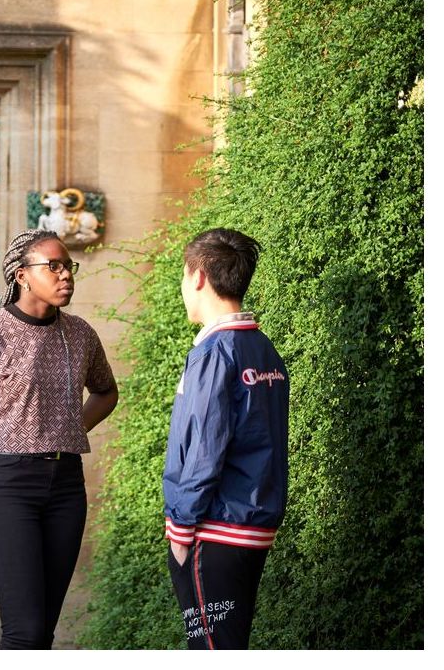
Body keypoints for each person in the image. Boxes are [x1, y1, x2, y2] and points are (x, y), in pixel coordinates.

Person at [0, 228, 119, 649]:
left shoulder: (80, 333)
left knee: (43, 630)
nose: (66, 275)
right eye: (54, 266)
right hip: (10, 487)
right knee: (23, 631)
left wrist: (69, 426)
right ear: (22, 275)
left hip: (66, 486)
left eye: (69, 266)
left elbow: (106, 391)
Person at [163, 228, 289, 650]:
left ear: (198, 276)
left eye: (183, 274)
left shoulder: (215, 353)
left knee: (212, 650)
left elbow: (204, 448)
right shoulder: (262, 348)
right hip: (250, 526)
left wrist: (180, 527)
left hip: (213, 531)